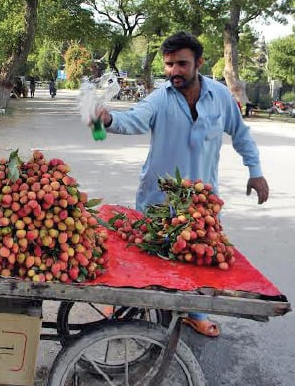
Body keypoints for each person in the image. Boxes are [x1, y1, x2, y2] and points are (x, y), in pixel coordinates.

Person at [94, 31, 269, 338]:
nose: (173, 71)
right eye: (168, 64)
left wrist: (255, 172)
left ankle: (194, 312)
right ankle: (123, 304)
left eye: (181, 64)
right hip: (157, 198)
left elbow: (241, 135)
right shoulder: (160, 97)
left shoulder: (220, 97)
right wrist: (108, 120)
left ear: (198, 63)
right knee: (144, 256)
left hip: (201, 202)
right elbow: (134, 119)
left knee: (198, 257)